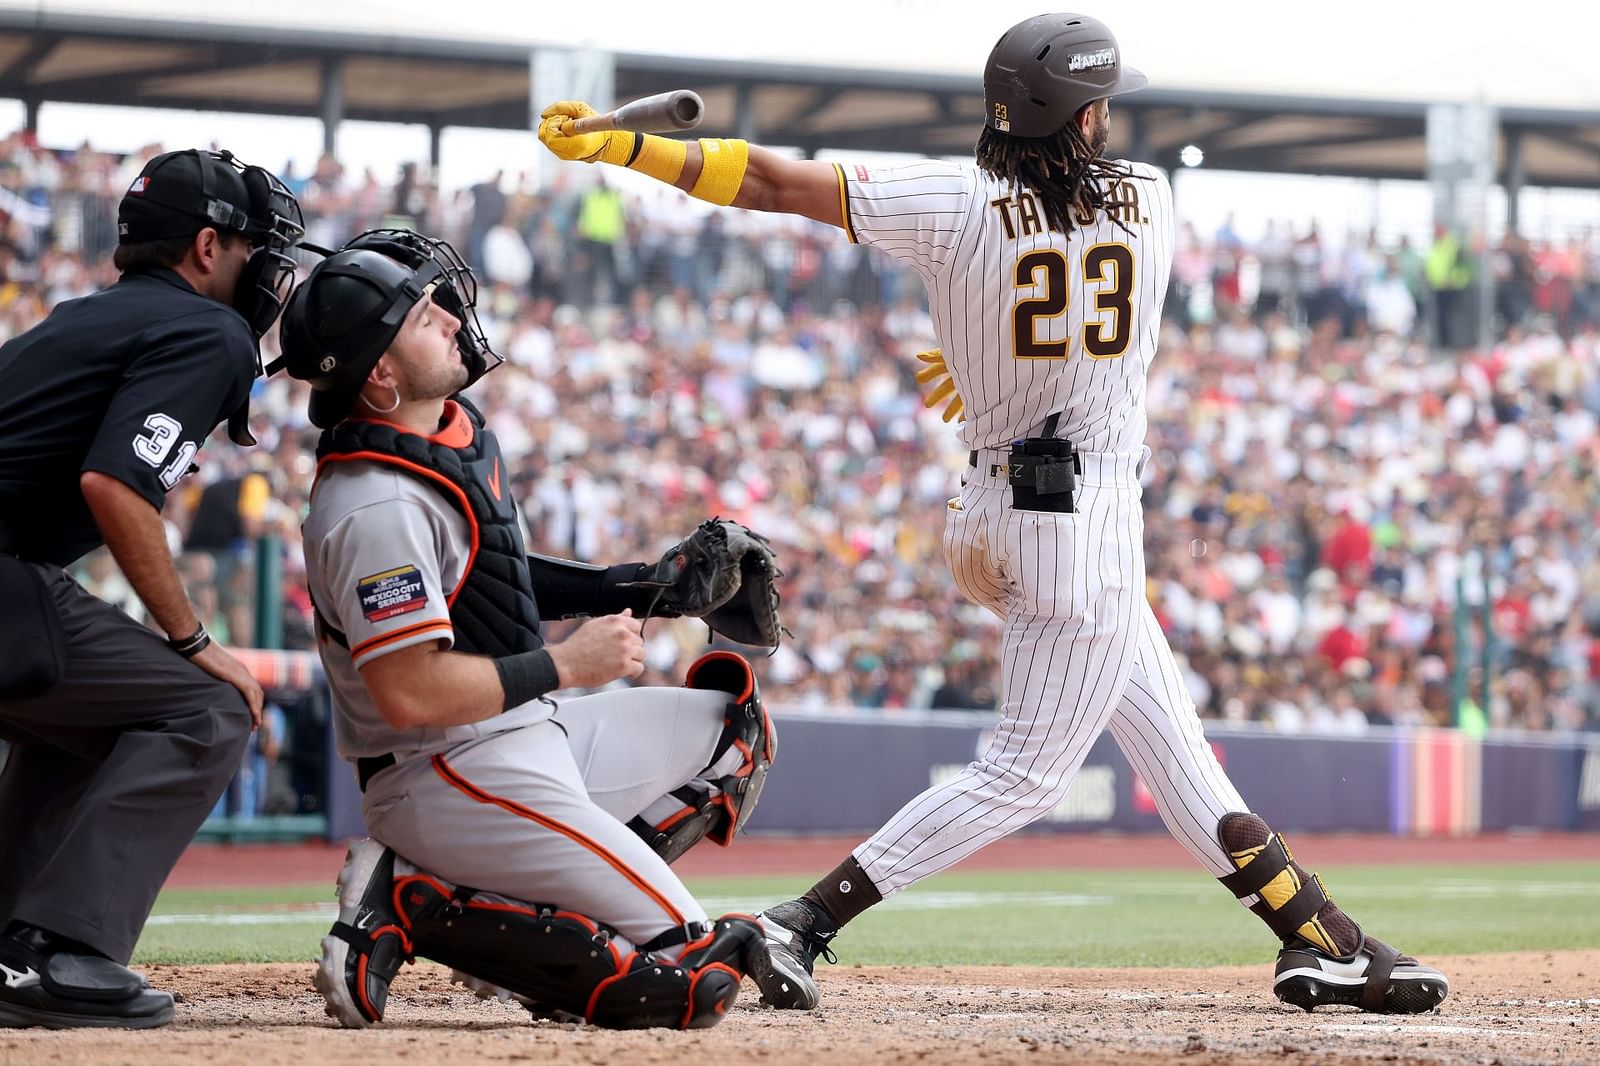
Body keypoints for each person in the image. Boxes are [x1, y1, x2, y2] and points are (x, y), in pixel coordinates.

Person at [538, 11, 1449, 1017]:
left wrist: (624, 143)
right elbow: (1076, 305)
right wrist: (1001, 368)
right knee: (1022, 775)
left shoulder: (953, 198)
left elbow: (768, 182)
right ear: (1085, 113)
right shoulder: (1151, 199)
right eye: (1101, 103)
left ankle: (1318, 937)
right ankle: (803, 920)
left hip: (987, 505)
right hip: (1080, 517)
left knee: (1175, 749)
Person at [275, 228, 782, 1030]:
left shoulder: (441, 431)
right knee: (690, 975)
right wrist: (566, 666)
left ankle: (534, 904)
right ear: (379, 374)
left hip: (525, 732)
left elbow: (495, 576)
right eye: (420, 315)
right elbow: (408, 692)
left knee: (735, 732)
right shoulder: (375, 506)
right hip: (443, 770)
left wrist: (646, 588)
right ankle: (411, 898)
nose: (447, 316)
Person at [0, 148, 302, 1028]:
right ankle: (60, 954)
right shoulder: (209, 331)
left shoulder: (85, 316)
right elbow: (116, 486)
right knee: (203, 709)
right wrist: (197, 645)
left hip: (14, 579)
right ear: (208, 247)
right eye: (253, 249)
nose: (265, 270)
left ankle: (16, 944)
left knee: (89, 718)